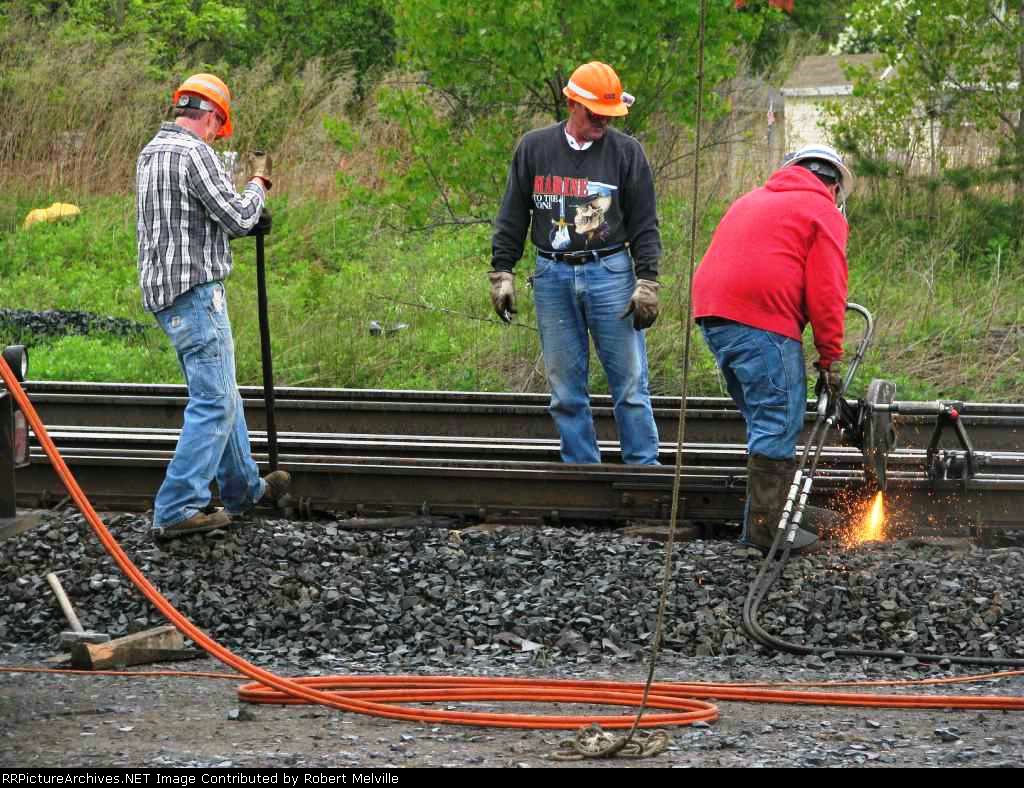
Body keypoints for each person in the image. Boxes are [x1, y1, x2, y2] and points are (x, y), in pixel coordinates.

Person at [136, 73, 289, 541]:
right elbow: (239, 217)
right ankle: (177, 506)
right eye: (218, 126)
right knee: (213, 402)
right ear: (212, 117)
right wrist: (258, 184)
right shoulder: (194, 153)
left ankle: (243, 490)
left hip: (166, 295)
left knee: (224, 394)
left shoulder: (151, 152)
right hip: (197, 293)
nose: (215, 134)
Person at [489, 61, 662, 465]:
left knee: (631, 384)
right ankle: (582, 475)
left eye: (609, 115)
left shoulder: (626, 153)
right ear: (572, 104)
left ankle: (643, 470)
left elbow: (644, 222)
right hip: (552, 274)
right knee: (565, 389)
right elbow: (513, 213)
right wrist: (502, 271)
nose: (602, 121)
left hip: (611, 272)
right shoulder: (534, 148)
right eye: (594, 114)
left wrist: (648, 279)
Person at [692, 144, 852, 553]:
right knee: (778, 422)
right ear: (834, 185)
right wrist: (831, 357)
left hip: (715, 317)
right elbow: (827, 291)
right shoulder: (823, 212)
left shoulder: (752, 199)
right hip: (762, 321)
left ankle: (775, 513)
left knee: (765, 420)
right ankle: (766, 534)